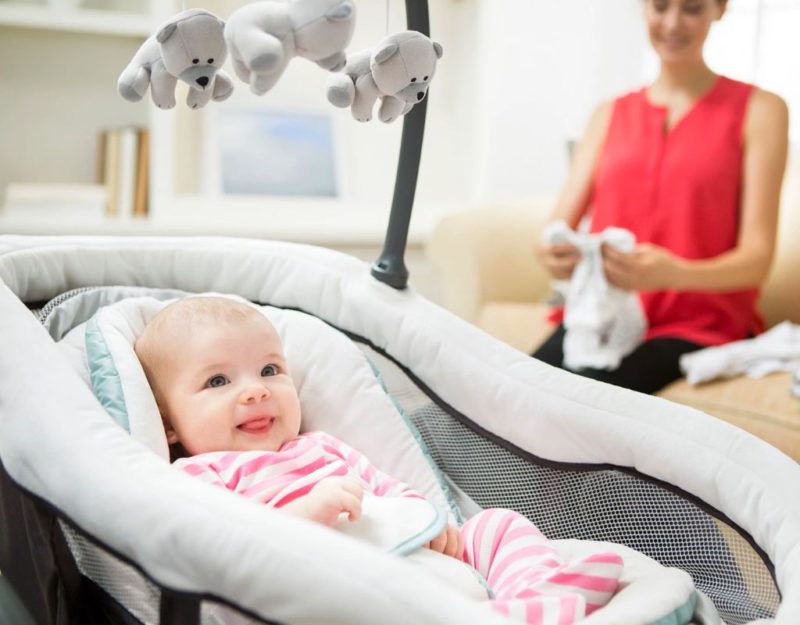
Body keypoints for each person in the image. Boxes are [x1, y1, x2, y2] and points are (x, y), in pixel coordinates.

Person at [135, 296, 624, 624]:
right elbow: (227, 553)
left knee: (494, 525)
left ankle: (532, 595)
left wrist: (432, 523)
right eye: (219, 382)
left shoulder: (323, 447)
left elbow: (392, 491)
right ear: (170, 424)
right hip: (335, 588)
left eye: (269, 370)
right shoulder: (199, 475)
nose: (257, 389)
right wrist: (310, 513)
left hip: (415, 554)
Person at [534, 0, 789, 394]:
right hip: (604, 315)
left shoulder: (762, 110)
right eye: (660, 6)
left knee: (578, 401)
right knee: (505, 394)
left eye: (691, 8)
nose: (673, 23)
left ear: (719, 9)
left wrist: (672, 274)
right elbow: (555, 231)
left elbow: (757, 260)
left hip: (699, 326)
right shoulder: (609, 113)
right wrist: (554, 255)